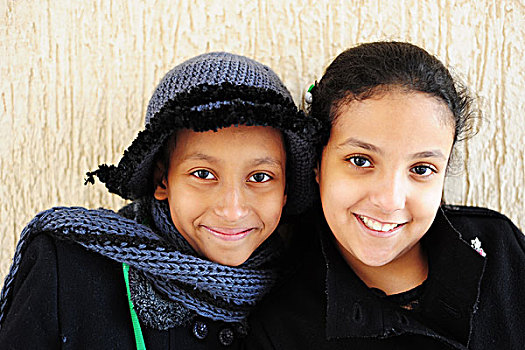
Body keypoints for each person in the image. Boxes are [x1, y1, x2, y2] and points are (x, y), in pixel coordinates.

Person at [0, 52, 319, 349]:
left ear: (286, 188)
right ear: (161, 180)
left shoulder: (304, 289)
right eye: (203, 174)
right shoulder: (67, 268)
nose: (232, 209)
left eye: (260, 177)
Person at [244, 42, 525, 349]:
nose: (390, 200)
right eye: (361, 161)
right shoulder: (280, 324)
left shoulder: (501, 251)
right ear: (317, 163)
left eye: (421, 168)